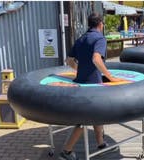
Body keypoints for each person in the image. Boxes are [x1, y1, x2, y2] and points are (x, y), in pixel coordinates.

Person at [60, 13, 122, 160]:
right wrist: (110, 77)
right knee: (83, 120)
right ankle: (66, 152)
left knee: (95, 114)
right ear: (100, 24)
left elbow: (68, 60)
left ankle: (101, 144)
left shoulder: (81, 39)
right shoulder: (99, 38)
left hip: (80, 83)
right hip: (93, 85)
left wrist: (79, 70)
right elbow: (96, 59)